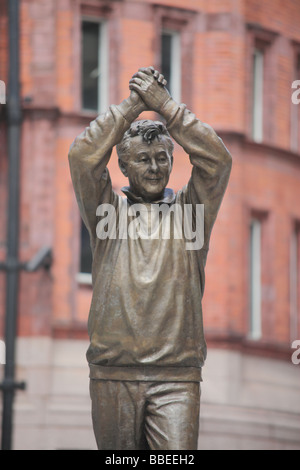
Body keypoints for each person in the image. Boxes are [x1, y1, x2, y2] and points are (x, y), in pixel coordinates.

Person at [68, 66, 232, 450]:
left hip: (177, 376)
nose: (156, 168)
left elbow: (217, 161)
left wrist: (167, 109)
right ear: (123, 165)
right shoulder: (107, 216)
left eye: (162, 157)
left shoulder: (192, 216)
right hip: (113, 372)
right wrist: (131, 107)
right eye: (143, 159)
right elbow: (82, 156)